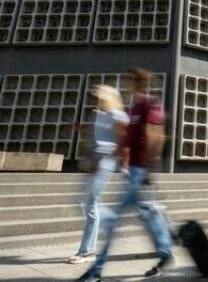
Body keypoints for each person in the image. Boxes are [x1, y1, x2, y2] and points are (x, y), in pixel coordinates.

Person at [77, 68, 172, 282]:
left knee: (114, 219)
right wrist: (124, 163)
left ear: (137, 82)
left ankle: (95, 272)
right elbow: (126, 141)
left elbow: (156, 137)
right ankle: (166, 252)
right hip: (133, 172)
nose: (125, 85)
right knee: (150, 216)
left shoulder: (150, 104)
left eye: (128, 81)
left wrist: (148, 169)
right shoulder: (134, 108)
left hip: (141, 172)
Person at [68, 86, 129, 265]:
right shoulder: (99, 114)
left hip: (106, 160)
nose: (96, 99)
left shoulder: (118, 115)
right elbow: (95, 132)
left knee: (91, 203)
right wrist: (80, 128)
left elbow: (124, 141)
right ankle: (109, 220)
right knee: (80, 202)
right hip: (92, 159)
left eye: (99, 97)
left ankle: (86, 252)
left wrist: (125, 165)